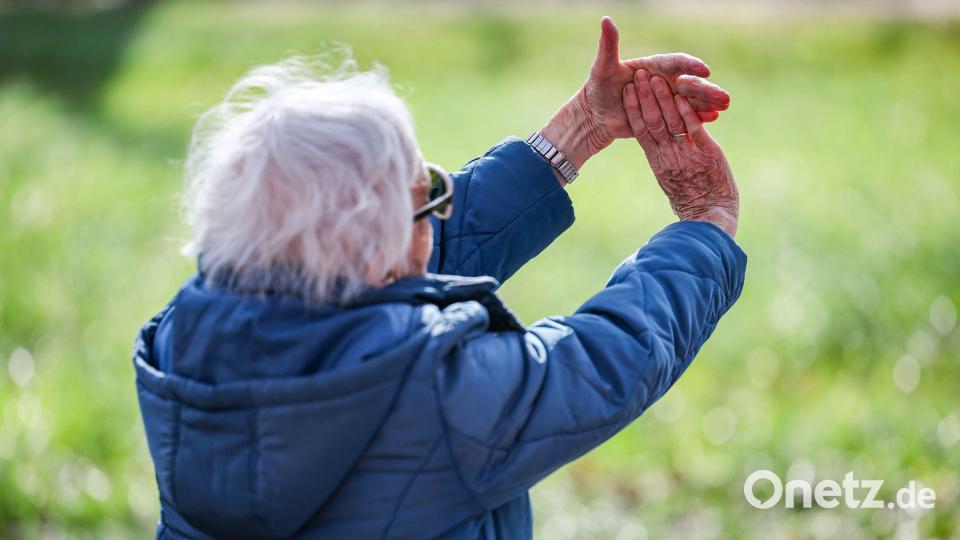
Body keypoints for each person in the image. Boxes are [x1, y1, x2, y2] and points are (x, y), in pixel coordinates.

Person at [132, 17, 745, 540]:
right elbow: (607, 359)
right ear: (371, 245)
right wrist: (705, 224)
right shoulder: (438, 393)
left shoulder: (182, 338)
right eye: (427, 194)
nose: (441, 209)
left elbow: (401, 269)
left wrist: (582, 126)